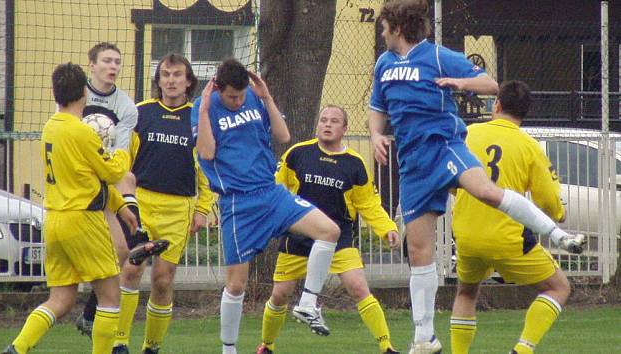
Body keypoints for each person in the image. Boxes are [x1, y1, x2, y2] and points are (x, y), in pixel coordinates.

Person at [367, 1, 584, 352]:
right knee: (418, 249)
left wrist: (459, 81)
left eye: (383, 27)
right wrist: (376, 135)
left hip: (443, 146)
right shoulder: (384, 64)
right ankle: (424, 337)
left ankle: (556, 234)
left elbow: (490, 84)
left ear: (396, 27)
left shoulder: (436, 56)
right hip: (412, 162)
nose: (381, 33)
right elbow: (376, 109)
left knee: (485, 192)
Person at [196, 58, 340, 354]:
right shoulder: (205, 106)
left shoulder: (253, 97)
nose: (237, 101)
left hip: (270, 193)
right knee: (236, 285)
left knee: (329, 230)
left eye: (241, 95)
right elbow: (207, 152)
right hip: (238, 203)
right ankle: (229, 349)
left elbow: (284, 136)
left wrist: (266, 97)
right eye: (231, 97)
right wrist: (205, 109)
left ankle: (308, 304)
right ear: (218, 89)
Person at [2, 62, 134, 354]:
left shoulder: (50, 128)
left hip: (55, 220)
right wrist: (123, 150)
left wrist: (120, 206)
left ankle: (17, 348)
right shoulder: (82, 132)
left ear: (54, 93)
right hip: (83, 220)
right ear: (85, 92)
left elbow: (87, 177)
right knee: (110, 297)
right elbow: (111, 173)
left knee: (60, 300)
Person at [256, 105, 402, 354]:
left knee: (358, 287)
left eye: (334, 121)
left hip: (339, 239)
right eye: (323, 119)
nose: (327, 124)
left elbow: (368, 203)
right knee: (280, 295)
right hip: (299, 236)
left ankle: (386, 346)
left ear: (344, 129)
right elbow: (275, 188)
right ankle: (266, 346)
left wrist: (387, 227)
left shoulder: (355, 164)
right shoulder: (298, 153)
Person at [450, 81, 572, 354]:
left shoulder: (468, 134)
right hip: (507, 237)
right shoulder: (529, 146)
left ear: (497, 105)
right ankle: (522, 350)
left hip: (467, 234)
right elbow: (547, 201)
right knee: (557, 288)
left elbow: (449, 179)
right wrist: (559, 214)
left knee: (466, 292)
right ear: (525, 113)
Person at [111, 53, 215, 354]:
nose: (171, 80)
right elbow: (123, 163)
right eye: (165, 75)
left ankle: (152, 346)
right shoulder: (141, 113)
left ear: (188, 81)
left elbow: (205, 168)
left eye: (177, 75)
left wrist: (202, 208)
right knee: (130, 270)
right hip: (141, 204)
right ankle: (119, 341)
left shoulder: (197, 116)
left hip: (178, 208)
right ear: (158, 80)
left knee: (162, 280)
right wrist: (122, 201)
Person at [77, 41, 162, 339]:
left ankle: (89, 312)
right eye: (107, 61)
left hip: (106, 177)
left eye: (117, 62)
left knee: (124, 251)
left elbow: (121, 153)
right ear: (92, 64)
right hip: (76, 181)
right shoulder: (77, 96)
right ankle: (139, 232)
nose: (113, 66)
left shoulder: (126, 106)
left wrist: (108, 173)